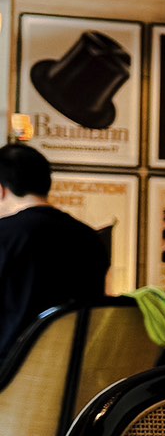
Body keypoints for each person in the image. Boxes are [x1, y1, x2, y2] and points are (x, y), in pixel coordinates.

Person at [0, 143, 110, 362]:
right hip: (73, 371)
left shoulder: (4, 235)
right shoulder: (91, 238)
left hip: (10, 373)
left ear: (1, 190)